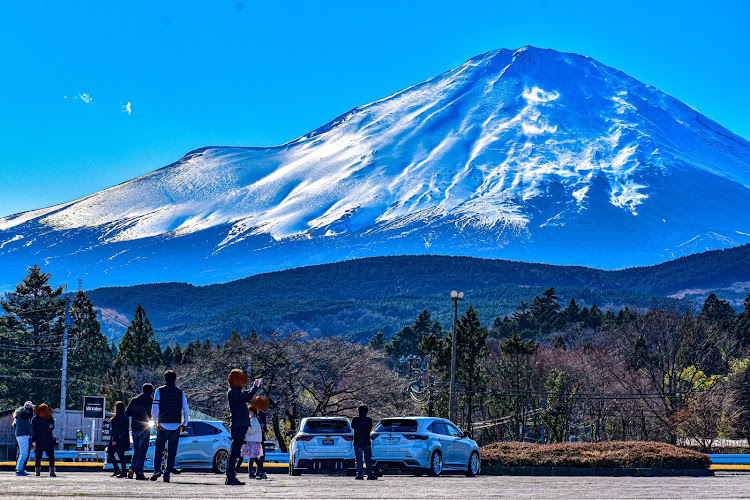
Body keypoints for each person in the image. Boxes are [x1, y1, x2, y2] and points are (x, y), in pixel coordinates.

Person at [150, 370, 189, 483]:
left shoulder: (159, 391)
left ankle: (157, 470)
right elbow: (186, 410)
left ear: (165, 379)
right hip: (176, 425)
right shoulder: (180, 392)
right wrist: (184, 424)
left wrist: (154, 421)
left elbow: (155, 408)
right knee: (172, 451)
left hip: (163, 424)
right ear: (175, 379)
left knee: (159, 449)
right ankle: (167, 473)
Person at [225, 369, 261, 486]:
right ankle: (230, 477)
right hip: (238, 425)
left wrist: (254, 387)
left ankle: (230, 476)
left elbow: (246, 395)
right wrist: (255, 387)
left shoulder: (235, 391)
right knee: (234, 452)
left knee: (235, 452)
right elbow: (246, 397)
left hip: (240, 425)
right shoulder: (233, 392)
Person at [125, 383, 154, 480]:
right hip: (145, 428)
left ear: (142, 390)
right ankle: (139, 472)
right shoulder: (151, 401)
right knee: (142, 451)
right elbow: (155, 414)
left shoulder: (134, 400)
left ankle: (132, 469)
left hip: (134, 428)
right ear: (151, 391)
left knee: (136, 450)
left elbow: (127, 413)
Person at [352, 403, 376, 480]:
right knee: (368, 458)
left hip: (357, 441)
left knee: (359, 459)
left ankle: (360, 474)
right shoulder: (369, 420)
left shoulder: (355, 420)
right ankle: (370, 474)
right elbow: (369, 428)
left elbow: (353, 427)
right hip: (366, 441)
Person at [241, 406, 266, 480]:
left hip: (253, 441)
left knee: (251, 457)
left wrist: (246, 426)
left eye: (250, 412)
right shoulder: (253, 420)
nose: (249, 413)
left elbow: (251, 431)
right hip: (251, 441)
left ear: (254, 413)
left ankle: (257, 472)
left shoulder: (254, 421)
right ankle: (257, 472)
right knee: (252, 457)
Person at [31, 403, 56, 477]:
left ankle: (51, 471)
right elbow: (33, 430)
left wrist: (52, 426)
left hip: (47, 438)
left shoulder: (48, 417)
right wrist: (34, 440)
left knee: (49, 456)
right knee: (39, 456)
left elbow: (52, 425)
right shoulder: (35, 418)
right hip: (41, 439)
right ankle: (38, 472)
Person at [12, 401, 34, 476]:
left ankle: (21, 469)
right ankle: (19, 470)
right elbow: (29, 415)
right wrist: (30, 410)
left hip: (21, 435)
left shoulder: (19, 414)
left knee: (23, 453)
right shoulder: (23, 413)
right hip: (23, 435)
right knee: (24, 454)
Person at [107, 401, 129, 478]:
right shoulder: (125, 416)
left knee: (111, 452)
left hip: (117, 438)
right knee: (120, 455)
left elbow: (118, 429)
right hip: (123, 438)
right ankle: (122, 470)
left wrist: (115, 439)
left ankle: (118, 469)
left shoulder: (119, 417)